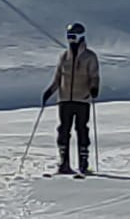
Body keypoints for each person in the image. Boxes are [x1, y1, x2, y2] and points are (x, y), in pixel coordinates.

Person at [43, 22, 100, 175]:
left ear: (81, 37)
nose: (70, 40)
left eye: (73, 37)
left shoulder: (90, 57)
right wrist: (50, 91)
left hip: (82, 99)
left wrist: (94, 88)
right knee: (63, 130)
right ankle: (64, 163)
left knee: (81, 130)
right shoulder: (64, 56)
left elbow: (94, 76)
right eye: (68, 37)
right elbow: (58, 77)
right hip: (64, 99)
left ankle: (83, 163)